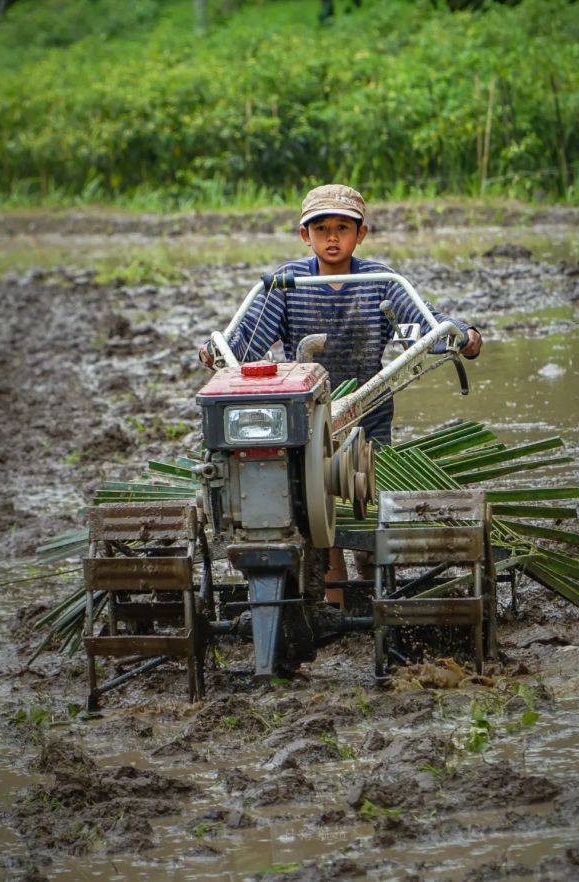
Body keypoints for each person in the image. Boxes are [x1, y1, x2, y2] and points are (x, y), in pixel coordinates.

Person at [199, 184, 482, 605]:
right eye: (322, 228)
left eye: (343, 228)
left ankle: (373, 591)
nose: (333, 238)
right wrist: (218, 351)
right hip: (306, 417)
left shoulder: (380, 282)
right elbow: (248, 337)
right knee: (318, 509)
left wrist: (461, 336)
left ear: (360, 234)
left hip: (369, 408)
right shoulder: (286, 283)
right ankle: (332, 600)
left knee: (367, 499)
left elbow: (425, 324)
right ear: (305, 235)